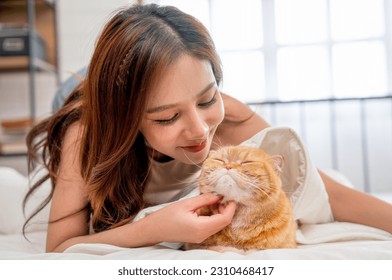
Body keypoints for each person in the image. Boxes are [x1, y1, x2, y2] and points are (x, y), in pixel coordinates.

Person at [24, 3, 392, 253]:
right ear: (128, 119)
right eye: (167, 118)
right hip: (85, 95)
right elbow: (59, 246)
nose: (201, 131)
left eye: (205, 99)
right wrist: (154, 228)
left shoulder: (229, 118)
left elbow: (320, 188)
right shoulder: (85, 135)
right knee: (80, 87)